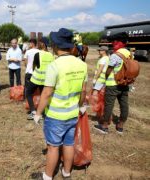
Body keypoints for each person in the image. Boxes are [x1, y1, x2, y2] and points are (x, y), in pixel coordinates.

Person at [34, 28, 88, 180]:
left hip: (55, 115)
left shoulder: (54, 66)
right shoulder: (82, 65)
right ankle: (66, 173)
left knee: (53, 147)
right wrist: (81, 105)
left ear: (56, 46)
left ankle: (47, 177)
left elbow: (47, 93)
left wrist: (38, 113)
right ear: (70, 46)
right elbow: (83, 91)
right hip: (72, 114)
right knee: (69, 144)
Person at [94, 48, 132, 135]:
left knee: (109, 105)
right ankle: (120, 126)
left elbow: (109, 69)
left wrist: (106, 76)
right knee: (124, 104)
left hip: (113, 84)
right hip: (125, 83)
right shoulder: (129, 54)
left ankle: (104, 126)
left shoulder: (116, 55)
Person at [26, 37, 54, 120]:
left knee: (28, 92)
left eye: (39, 43)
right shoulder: (51, 55)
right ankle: (44, 112)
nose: (38, 44)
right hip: (46, 80)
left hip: (36, 79)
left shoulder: (38, 54)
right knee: (43, 95)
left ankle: (33, 112)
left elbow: (34, 66)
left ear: (42, 44)